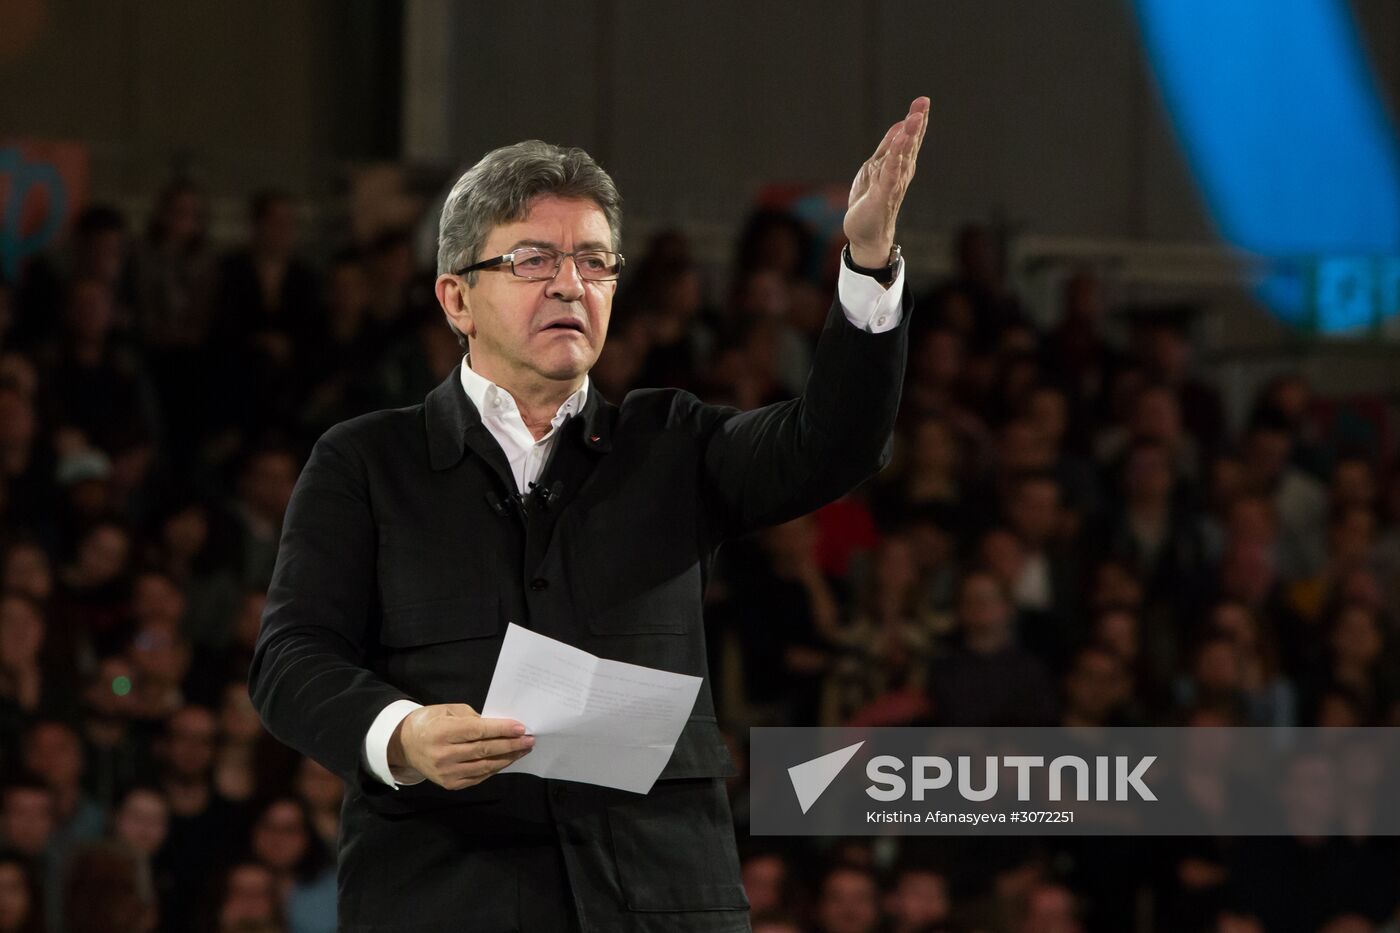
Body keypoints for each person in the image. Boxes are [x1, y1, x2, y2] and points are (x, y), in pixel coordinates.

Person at [250, 96, 929, 932]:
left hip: (659, 901)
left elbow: (835, 444)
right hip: (446, 898)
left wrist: (867, 261)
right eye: (535, 260)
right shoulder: (365, 463)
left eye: (596, 262)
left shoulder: (673, 442)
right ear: (456, 299)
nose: (571, 283)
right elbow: (289, 659)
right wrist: (401, 733)